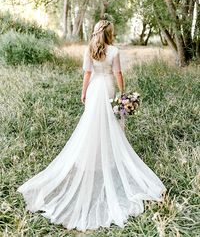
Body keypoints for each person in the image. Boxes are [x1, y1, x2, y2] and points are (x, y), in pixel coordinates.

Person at [17, 20, 166, 232]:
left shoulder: (90, 49)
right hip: (107, 88)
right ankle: (105, 156)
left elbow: (87, 74)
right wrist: (123, 94)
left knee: (92, 123)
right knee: (107, 123)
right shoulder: (114, 50)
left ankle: (95, 156)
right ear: (110, 33)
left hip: (96, 87)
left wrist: (84, 92)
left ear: (97, 32)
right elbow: (118, 74)